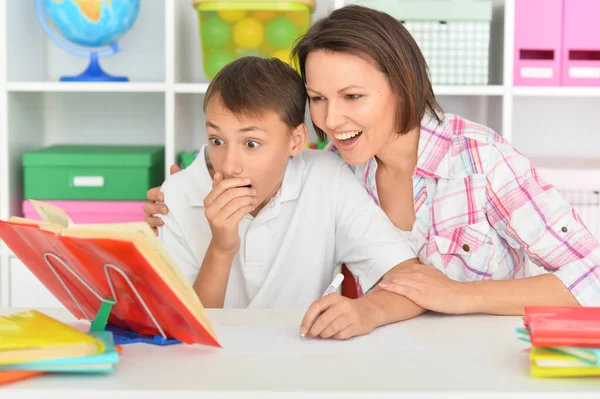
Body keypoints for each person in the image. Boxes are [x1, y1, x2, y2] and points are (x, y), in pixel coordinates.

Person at [146, 5, 600, 320]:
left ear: (403, 87)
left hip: (485, 360)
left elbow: (593, 273)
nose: (331, 119)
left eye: (353, 97)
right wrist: (179, 201)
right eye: (318, 99)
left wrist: (460, 296)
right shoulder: (337, 167)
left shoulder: (482, 161)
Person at [156, 55, 426, 340]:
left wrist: (367, 311)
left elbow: (408, 277)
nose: (229, 165)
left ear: (296, 141)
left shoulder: (327, 179)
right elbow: (184, 330)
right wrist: (221, 248)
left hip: (300, 360)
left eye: (251, 143)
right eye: (217, 141)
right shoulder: (176, 194)